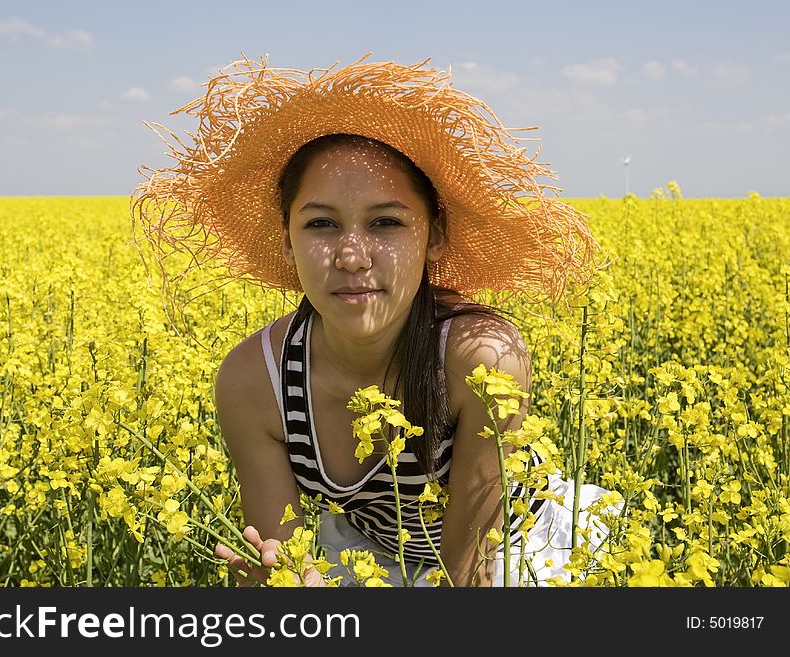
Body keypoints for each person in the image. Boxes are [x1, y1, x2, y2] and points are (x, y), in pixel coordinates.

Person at [132, 54, 615, 587]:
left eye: (385, 222)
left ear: (433, 235)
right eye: (320, 224)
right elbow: (282, 567)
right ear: (287, 241)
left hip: (517, 554)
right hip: (374, 552)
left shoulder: (482, 360)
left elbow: (470, 577)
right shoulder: (254, 382)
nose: (351, 256)